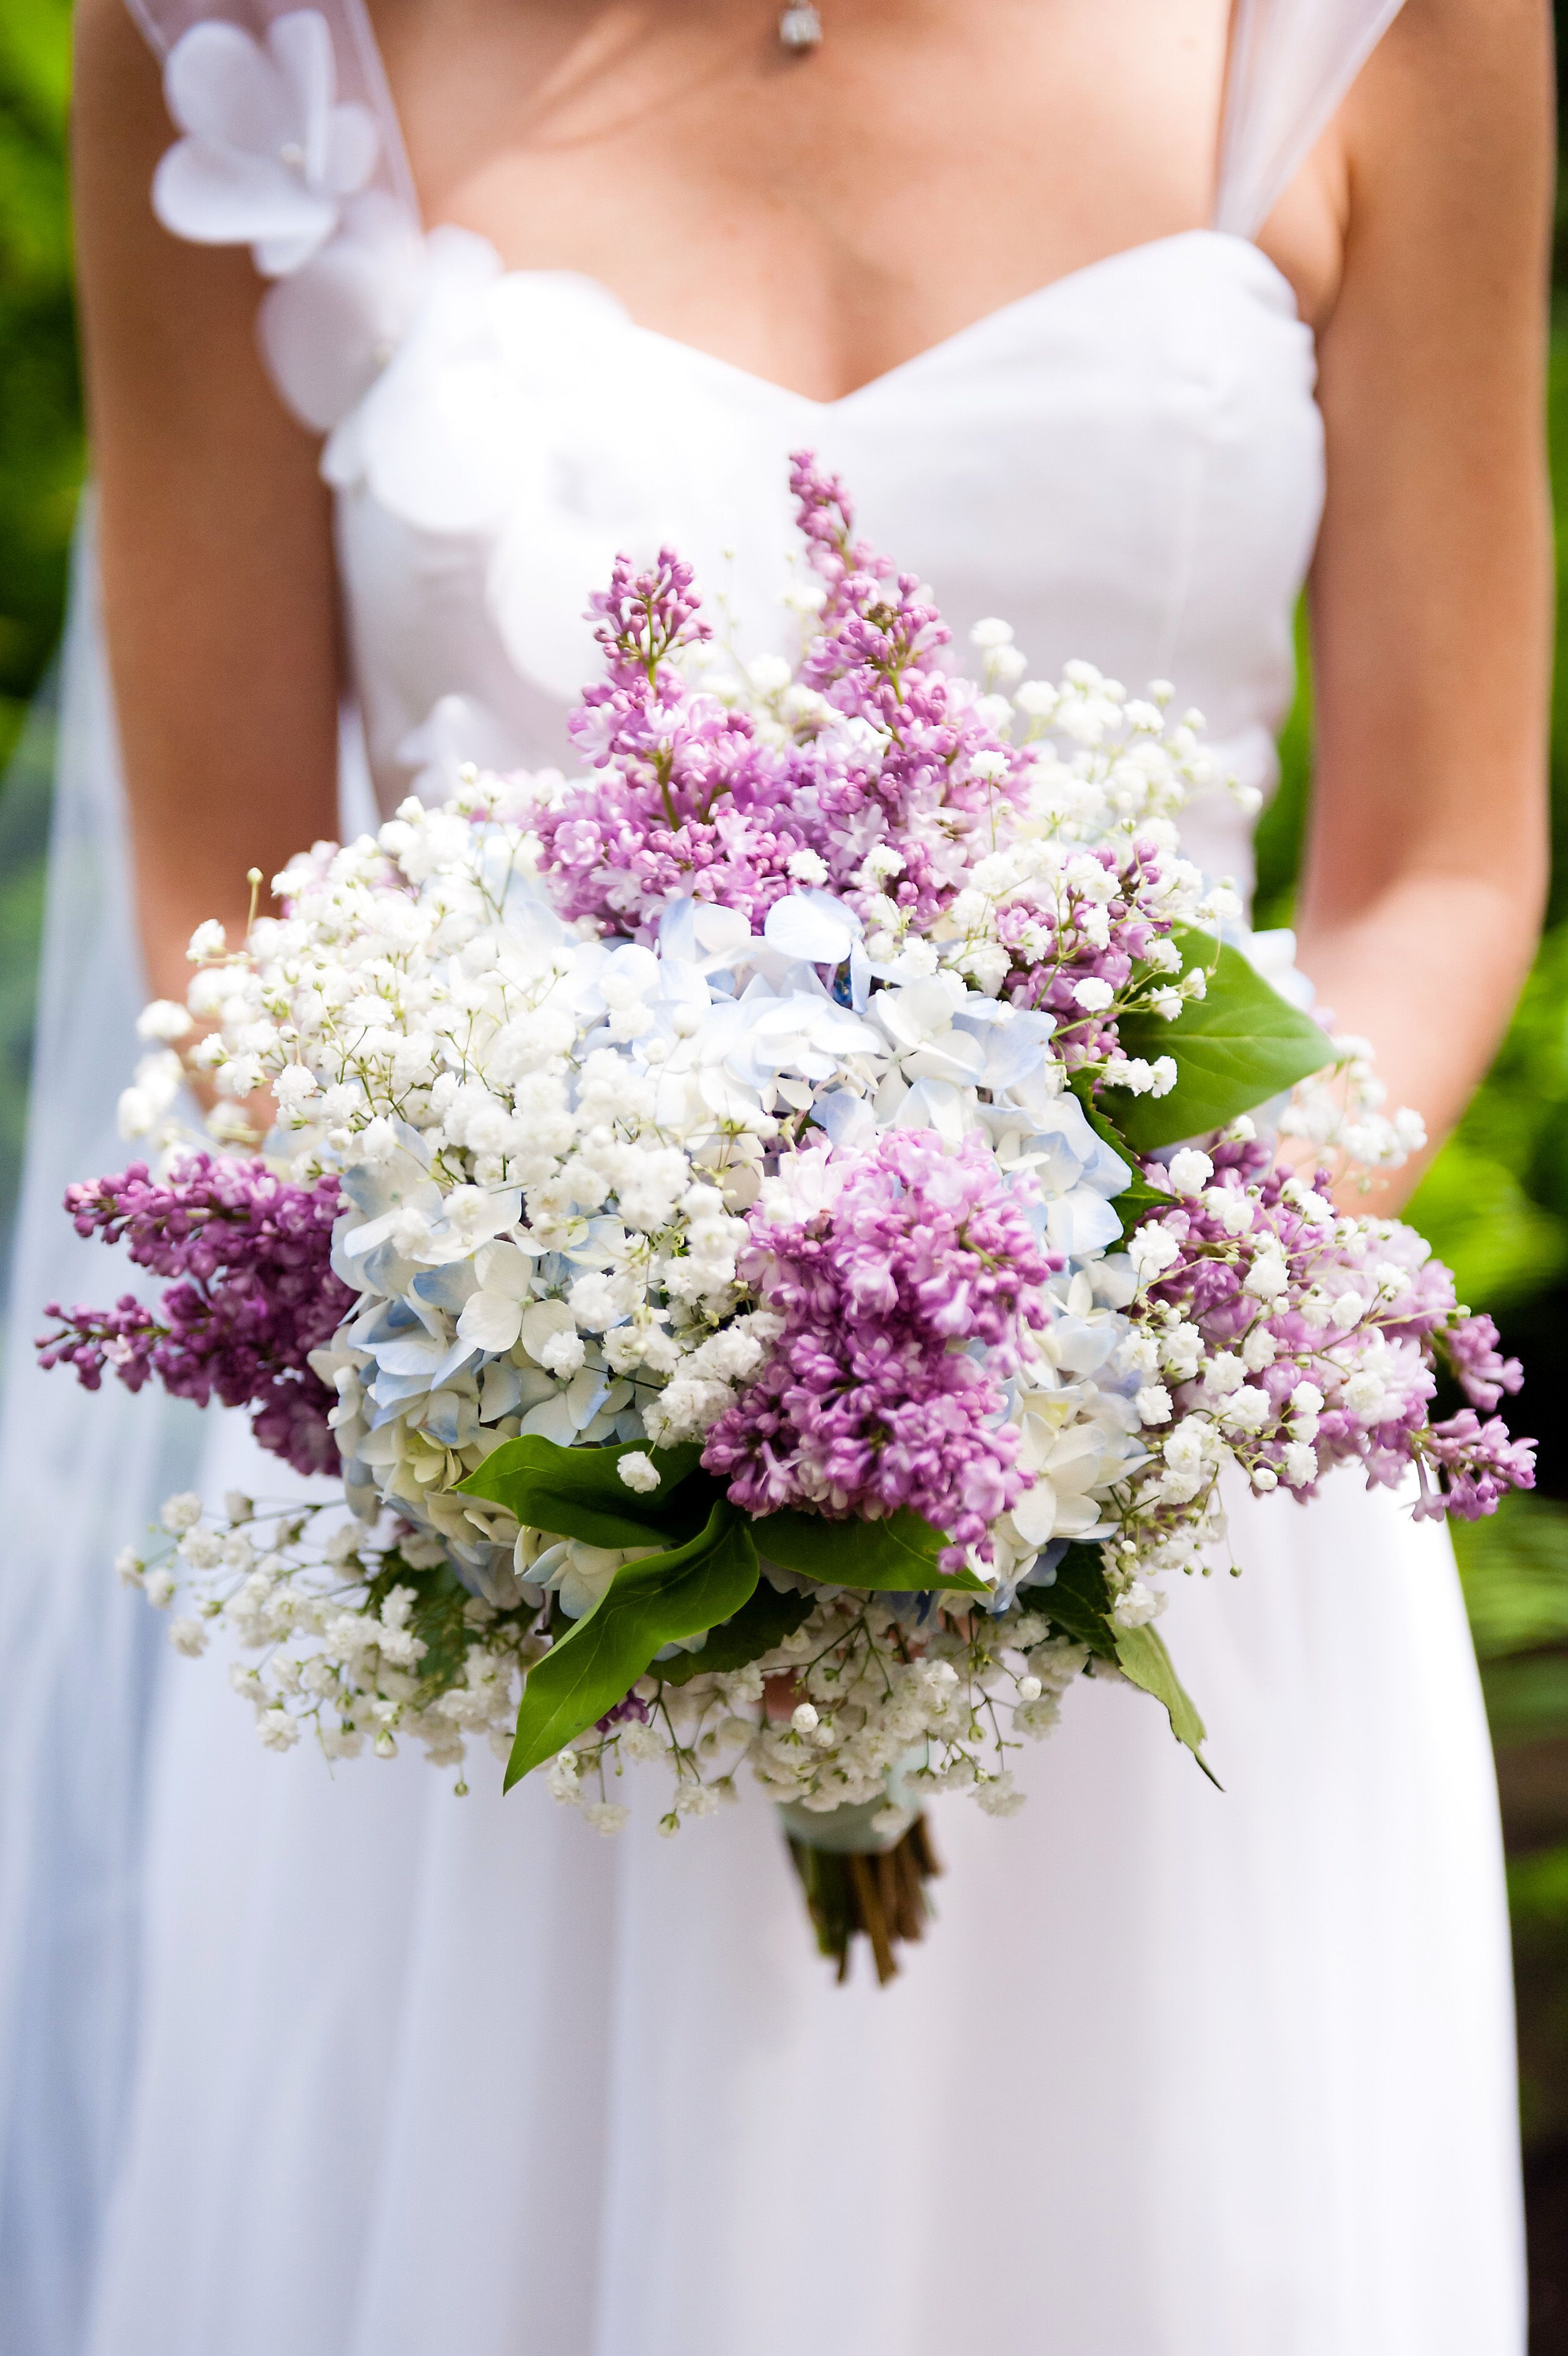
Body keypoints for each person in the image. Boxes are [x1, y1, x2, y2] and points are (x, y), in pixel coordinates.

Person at [0, 0, 1550, 2348]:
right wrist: (600, 1325)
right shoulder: (231, 37)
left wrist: (1132, 1325)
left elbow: (1437, 855)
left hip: (1174, 1515)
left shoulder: (1382, 29)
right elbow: (222, 899)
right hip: (512, 1541)